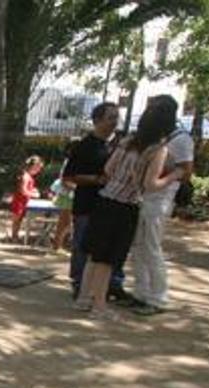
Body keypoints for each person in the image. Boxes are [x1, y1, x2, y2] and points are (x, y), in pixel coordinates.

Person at [76, 102, 184, 321]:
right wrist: (175, 175)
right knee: (107, 259)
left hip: (105, 199)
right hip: (125, 206)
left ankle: (84, 299)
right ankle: (99, 307)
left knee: (95, 254)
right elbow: (151, 184)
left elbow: (107, 169)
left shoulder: (126, 141)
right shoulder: (158, 150)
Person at [131, 95, 193, 316]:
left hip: (159, 199)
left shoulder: (179, 139)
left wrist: (170, 175)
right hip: (145, 197)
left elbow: (185, 170)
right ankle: (141, 291)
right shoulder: (159, 138)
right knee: (139, 246)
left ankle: (158, 297)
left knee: (151, 247)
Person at [64, 103, 124, 300]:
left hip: (112, 203)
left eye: (116, 117)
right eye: (110, 118)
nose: (114, 122)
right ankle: (79, 282)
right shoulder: (84, 146)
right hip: (87, 203)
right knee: (83, 244)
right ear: (97, 120)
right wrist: (96, 180)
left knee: (107, 246)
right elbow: (69, 176)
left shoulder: (118, 145)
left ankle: (108, 284)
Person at [9, 156, 43, 243]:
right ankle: (14, 237)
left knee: (19, 220)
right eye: (38, 168)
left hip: (24, 202)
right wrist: (34, 194)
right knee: (16, 220)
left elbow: (27, 188)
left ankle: (15, 236)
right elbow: (23, 190)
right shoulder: (26, 176)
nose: (39, 171)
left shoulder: (28, 176)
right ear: (34, 166)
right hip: (19, 201)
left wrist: (32, 190)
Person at [49, 174, 74, 252]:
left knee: (65, 223)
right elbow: (64, 180)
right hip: (67, 198)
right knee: (65, 223)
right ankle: (56, 246)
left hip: (69, 197)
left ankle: (57, 245)